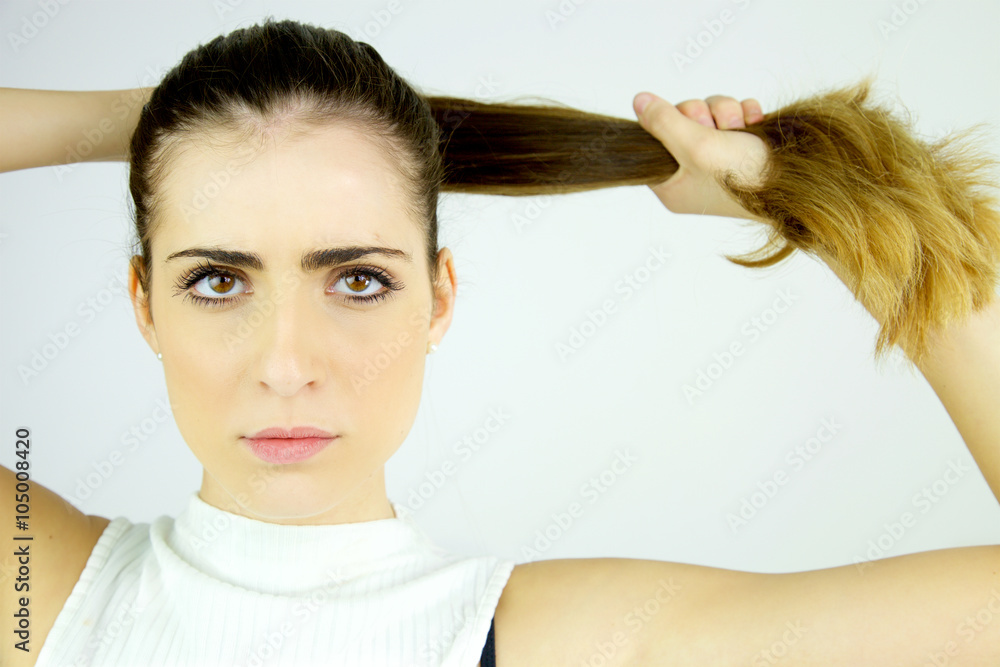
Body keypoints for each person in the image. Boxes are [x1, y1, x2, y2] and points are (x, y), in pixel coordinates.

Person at [2, 17, 999, 667]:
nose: (285, 362)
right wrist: (157, 127)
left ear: (438, 300)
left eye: (357, 279)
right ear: (143, 302)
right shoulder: (34, 589)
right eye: (217, 279)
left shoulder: (558, 644)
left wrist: (822, 206)